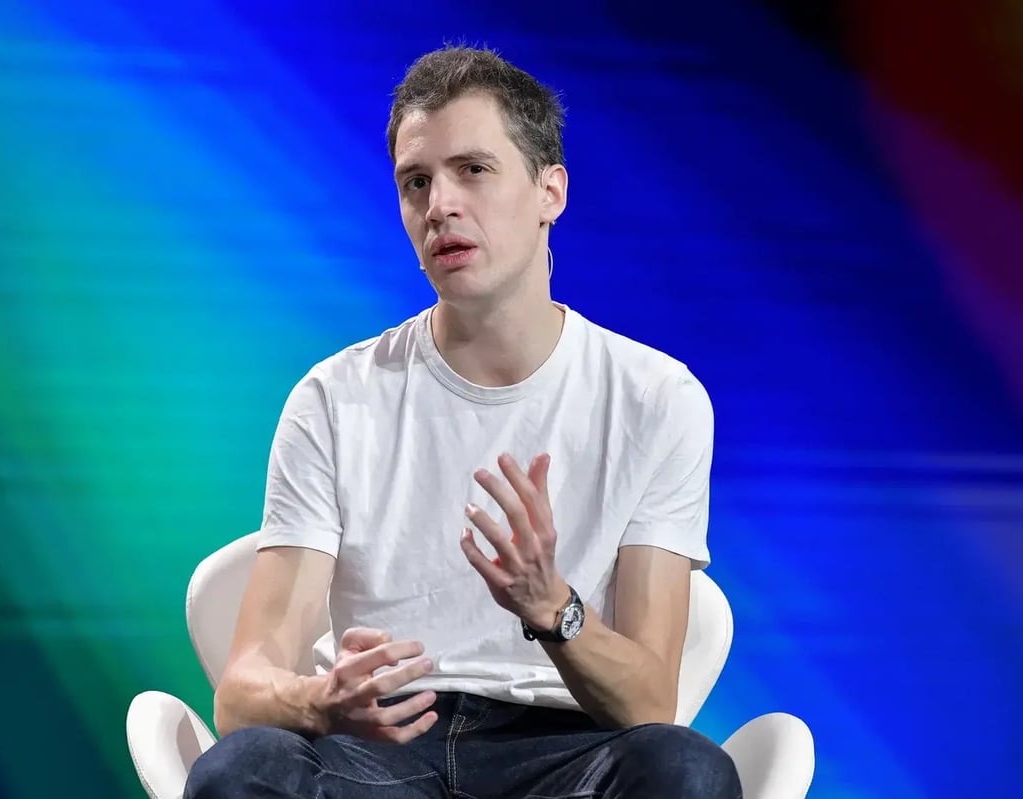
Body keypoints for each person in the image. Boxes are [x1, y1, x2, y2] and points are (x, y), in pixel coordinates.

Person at [184, 45, 742, 799]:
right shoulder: (336, 396)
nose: (439, 204)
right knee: (239, 770)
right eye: (416, 182)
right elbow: (242, 691)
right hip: (380, 745)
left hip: (565, 750)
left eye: (472, 169)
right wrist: (320, 701)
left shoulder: (655, 397)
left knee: (688, 770)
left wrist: (551, 605)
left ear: (550, 191)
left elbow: (649, 704)